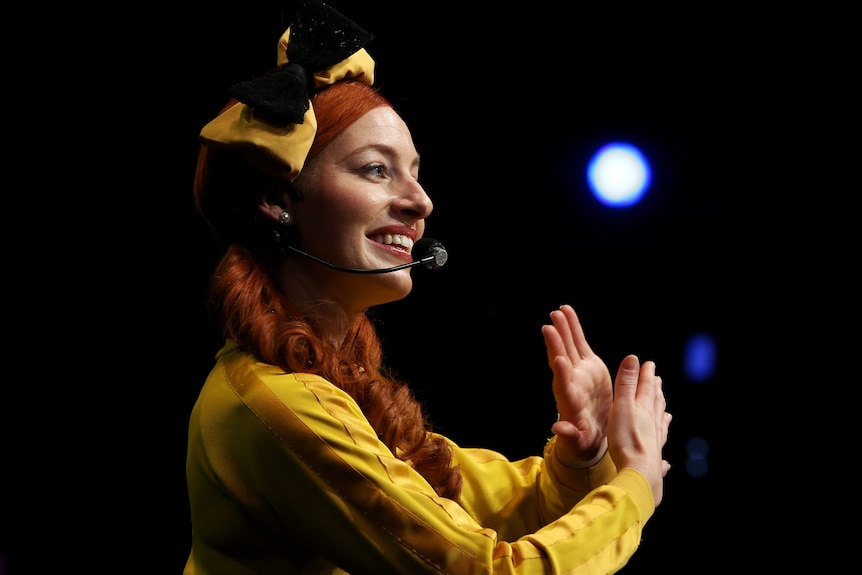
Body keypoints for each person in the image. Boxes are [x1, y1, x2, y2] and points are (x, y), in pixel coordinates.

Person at [185, 1, 672, 573]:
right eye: (375, 169)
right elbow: (489, 570)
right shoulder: (279, 404)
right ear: (275, 197)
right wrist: (636, 482)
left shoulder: (333, 384)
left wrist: (582, 455)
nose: (421, 202)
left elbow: (488, 507)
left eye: (415, 172)